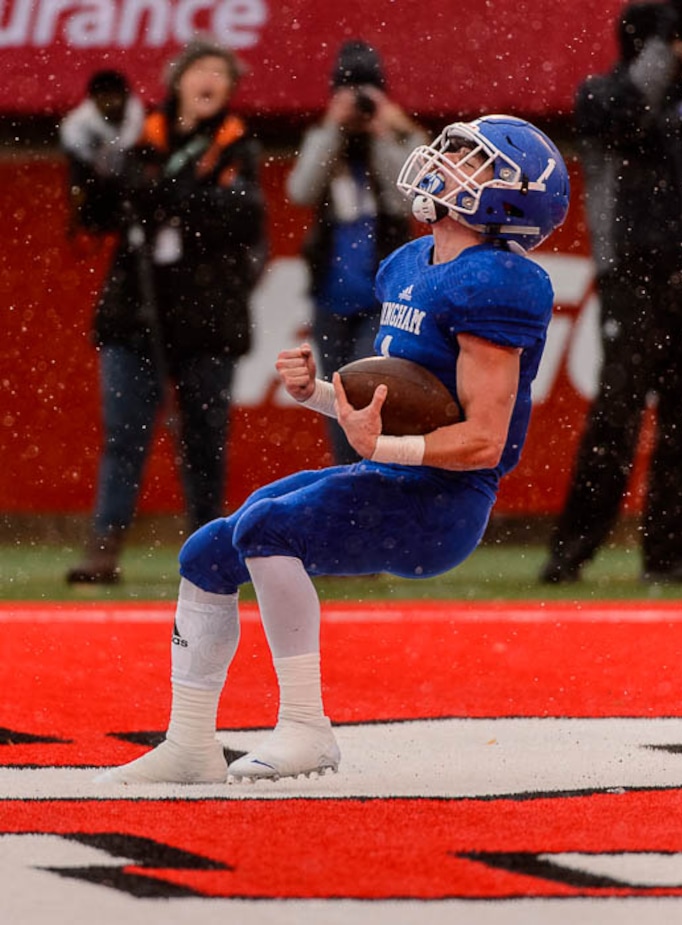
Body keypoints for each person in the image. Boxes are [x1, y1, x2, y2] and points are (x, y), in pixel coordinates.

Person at [94, 114, 569, 784]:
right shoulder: (411, 262)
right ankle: (190, 740)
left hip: (442, 501)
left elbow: (484, 442)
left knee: (267, 526)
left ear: (508, 198)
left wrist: (392, 447)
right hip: (394, 471)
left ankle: (307, 726)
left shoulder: (497, 281)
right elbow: (386, 403)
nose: (445, 159)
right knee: (206, 552)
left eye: (471, 159)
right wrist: (319, 392)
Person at [65, 38, 267, 585]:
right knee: (124, 435)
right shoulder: (139, 138)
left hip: (209, 317)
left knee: (204, 438)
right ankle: (103, 548)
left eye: (219, 73)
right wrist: (89, 168)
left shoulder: (238, 145)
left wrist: (166, 193)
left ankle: (212, 549)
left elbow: (243, 216)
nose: (209, 81)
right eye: (199, 70)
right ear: (177, 80)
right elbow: (100, 215)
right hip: (136, 312)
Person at [540, 1, 682, 585]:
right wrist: (667, 43)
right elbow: (631, 111)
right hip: (631, 273)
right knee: (617, 416)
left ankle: (669, 555)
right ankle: (570, 551)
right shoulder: (601, 95)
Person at [286, 39, 428, 464]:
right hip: (331, 294)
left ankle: (372, 476)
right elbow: (300, 189)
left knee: (368, 390)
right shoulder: (327, 141)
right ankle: (347, 478)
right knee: (333, 395)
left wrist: (385, 131)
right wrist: (333, 129)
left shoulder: (402, 138)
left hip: (382, 298)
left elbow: (410, 199)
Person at [59, 69, 145, 236]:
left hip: (125, 171)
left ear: (127, 96)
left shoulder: (136, 112)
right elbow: (78, 174)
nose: (114, 104)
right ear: (93, 101)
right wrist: (75, 215)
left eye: (117, 97)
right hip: (95, 175)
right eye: (106, 99)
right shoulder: (76, 127)